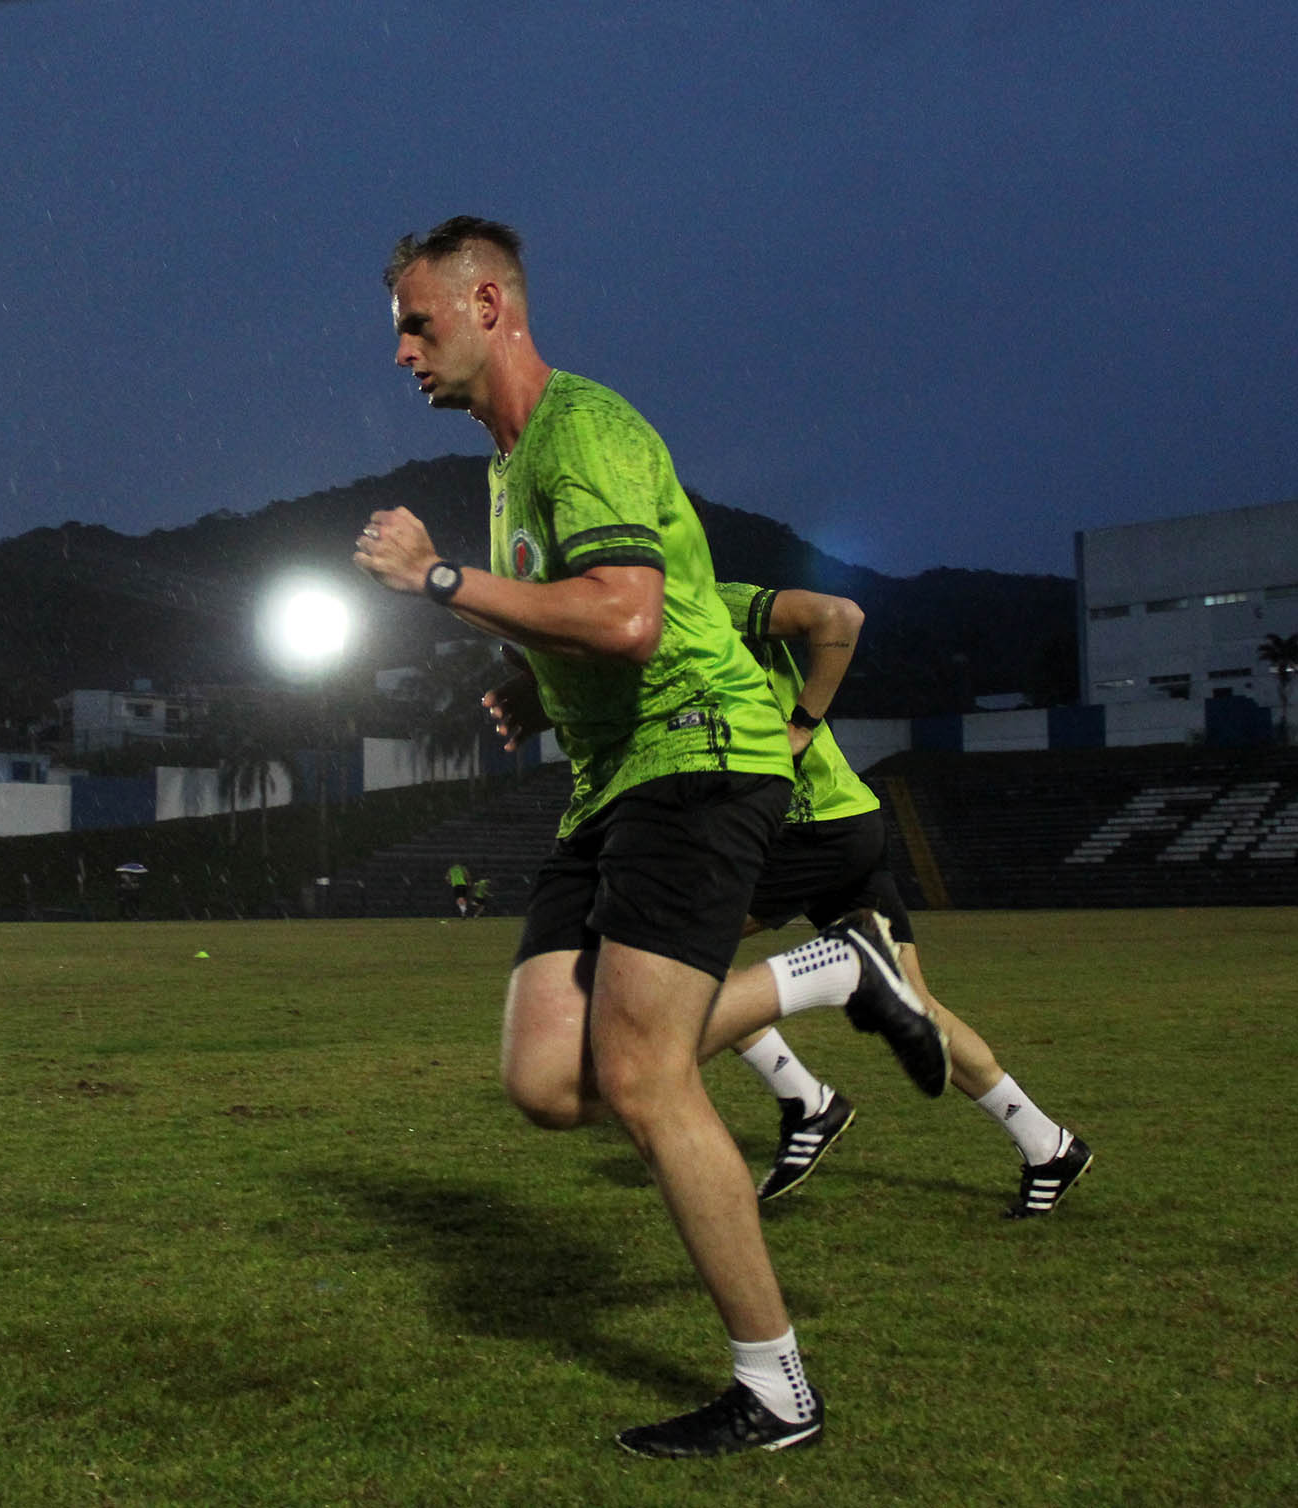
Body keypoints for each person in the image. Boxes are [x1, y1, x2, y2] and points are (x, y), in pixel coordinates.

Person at [359, 217, 944, 1459]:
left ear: (487, 304)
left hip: (694, 754)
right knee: (545, 1079)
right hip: (609, 778)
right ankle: (833, 969)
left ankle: (774, 1389)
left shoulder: (583, 429)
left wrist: (438, 581)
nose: (401, 350)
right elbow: (578, 617)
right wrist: (531, 677)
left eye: (416, 322)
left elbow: (627, 618)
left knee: (641, 1075)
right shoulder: (508, 467)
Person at [494, 581, 1091, 1216]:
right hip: (841, 820)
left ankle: (808, 1094)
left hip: (803, 828)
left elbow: (839, 616)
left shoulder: (703, 604)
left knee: (666, 957)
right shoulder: (655, 640)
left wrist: (801, 726)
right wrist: (548, 696)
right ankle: (1046, 1143)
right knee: (913, 1005)